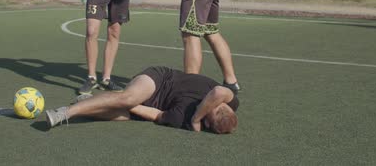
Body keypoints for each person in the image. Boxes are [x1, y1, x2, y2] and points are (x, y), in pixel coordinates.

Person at [46, 66, 239, 134]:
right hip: (159, 79)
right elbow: (219, 91)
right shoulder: (228, 100)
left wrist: (125, 105)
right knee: (128, 98)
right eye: (223, 106)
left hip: (152, 105)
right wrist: (198, 118)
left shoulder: (182, 119)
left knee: (120, 114)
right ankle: (65, 112)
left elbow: (157, 115)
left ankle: (85, 103)